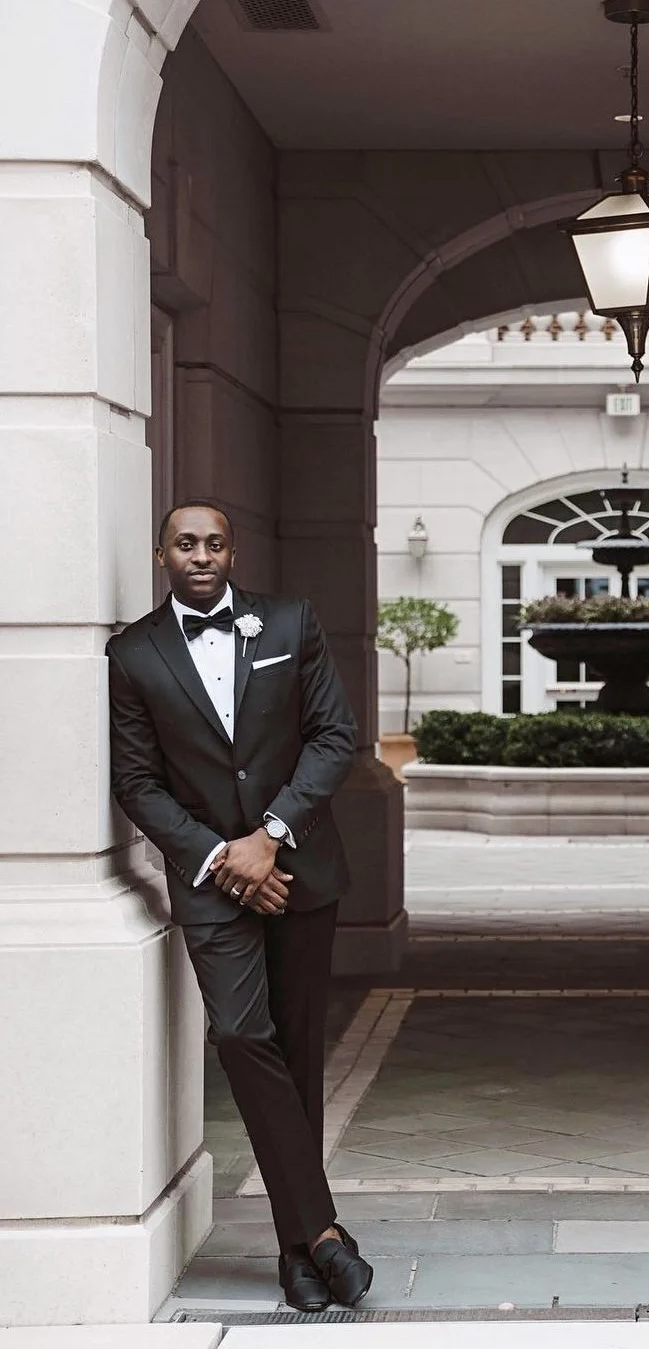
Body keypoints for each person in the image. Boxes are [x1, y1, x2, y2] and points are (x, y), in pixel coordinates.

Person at [107, 500, 374, 1313]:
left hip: (299, 868)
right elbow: (137, 782)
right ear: (162, 554)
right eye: (185, 543)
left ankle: (297, 1255)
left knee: (296, 1052)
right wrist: (224, 856)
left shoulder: (288, 621)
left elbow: (335, 735)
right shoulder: (133, 653)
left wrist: (272, 835)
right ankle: (321, 1230)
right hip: (211, 882)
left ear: (232, 551)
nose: (201, 554)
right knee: (240, 1034)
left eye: (214, 542)